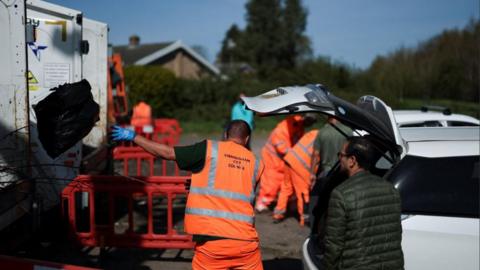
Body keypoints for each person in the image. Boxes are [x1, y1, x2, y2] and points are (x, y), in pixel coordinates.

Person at [111, 120, 265, 270]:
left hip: (213, 245)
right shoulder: (257, 163)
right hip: (247, 244)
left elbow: (168, 153)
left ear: (225, 134)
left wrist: (134, 137)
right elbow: (240, 190)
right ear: (247, 139)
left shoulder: (209, 149)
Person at [322, 136, 404, 270]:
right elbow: (395, 236)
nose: (339, 159)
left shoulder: (341, 194)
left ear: (352, 161)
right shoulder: (391, 189)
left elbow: (334, 246)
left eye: (341, 155)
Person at [255, 114, 316, 212]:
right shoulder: (283, 128)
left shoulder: (299, 127)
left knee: (284, 184)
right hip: (272, 159)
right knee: (271, 183)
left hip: (283, 160)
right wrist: (295, 154)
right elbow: (282, 147)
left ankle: (282, 203)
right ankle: (262, 204)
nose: (308, 125)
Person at [308, 116, 352, 230]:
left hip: (326, 172)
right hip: (344, 172)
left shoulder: (322, 132)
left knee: (322, 201)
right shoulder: (348, 131)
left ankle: (319, 227)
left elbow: (316, 155)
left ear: (329, 118)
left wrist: (312, 173)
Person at [272, 129, 319, 226]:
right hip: (299, 166)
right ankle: (304, 219)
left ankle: (278, 214)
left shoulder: (315, 132)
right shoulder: (327, 138)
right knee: (303, 193)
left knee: (286, 188)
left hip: (290, 158)